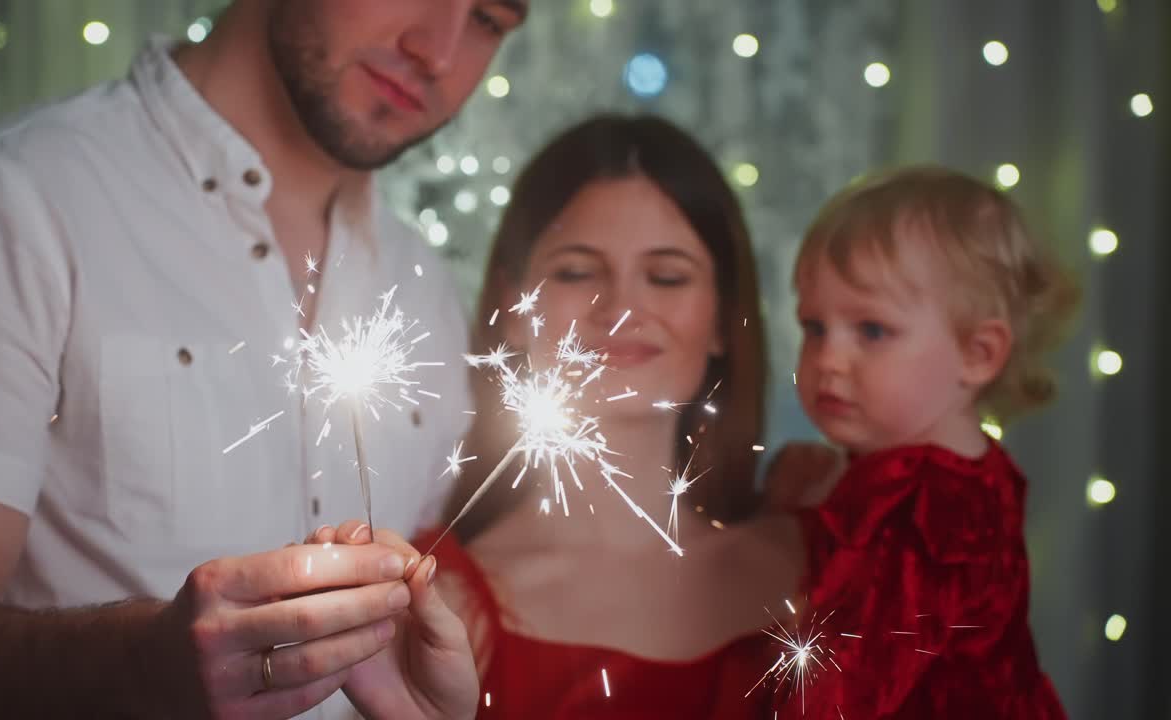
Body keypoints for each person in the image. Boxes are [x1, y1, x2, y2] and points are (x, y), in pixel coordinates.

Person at [0, 1, 530, 717]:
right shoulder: (7, 204)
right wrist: (141, 665)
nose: (436, 52)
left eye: (488, 19)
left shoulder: (426, 291)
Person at [408, 113, 813, 719]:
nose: (622, 307)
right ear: (514, 308)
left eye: (667, 277)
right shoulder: (437, 605)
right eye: (576, 271)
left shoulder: (826, 562)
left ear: (723, 320)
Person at [771, 166, 1074, 718]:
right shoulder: (962, 471)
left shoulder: (922, 510)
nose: (828, 359)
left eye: (872, 330)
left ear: (978, 354)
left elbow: (844, 694)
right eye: (814, 328)